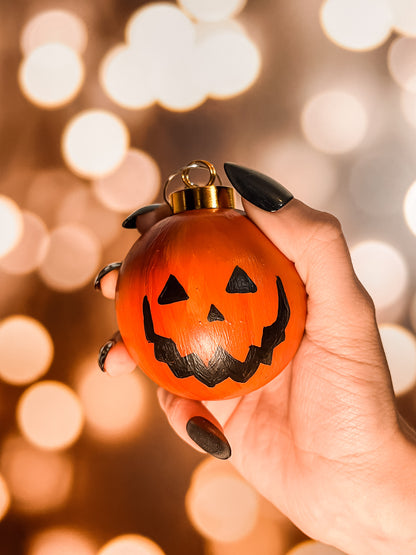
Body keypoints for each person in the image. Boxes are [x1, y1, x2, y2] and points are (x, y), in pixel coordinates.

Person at [95, 163, 416, 554]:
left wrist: (374, 478)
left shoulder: (254, 235)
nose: (213, 316)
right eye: (174, 295)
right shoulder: (222, 238)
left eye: (240, 286)